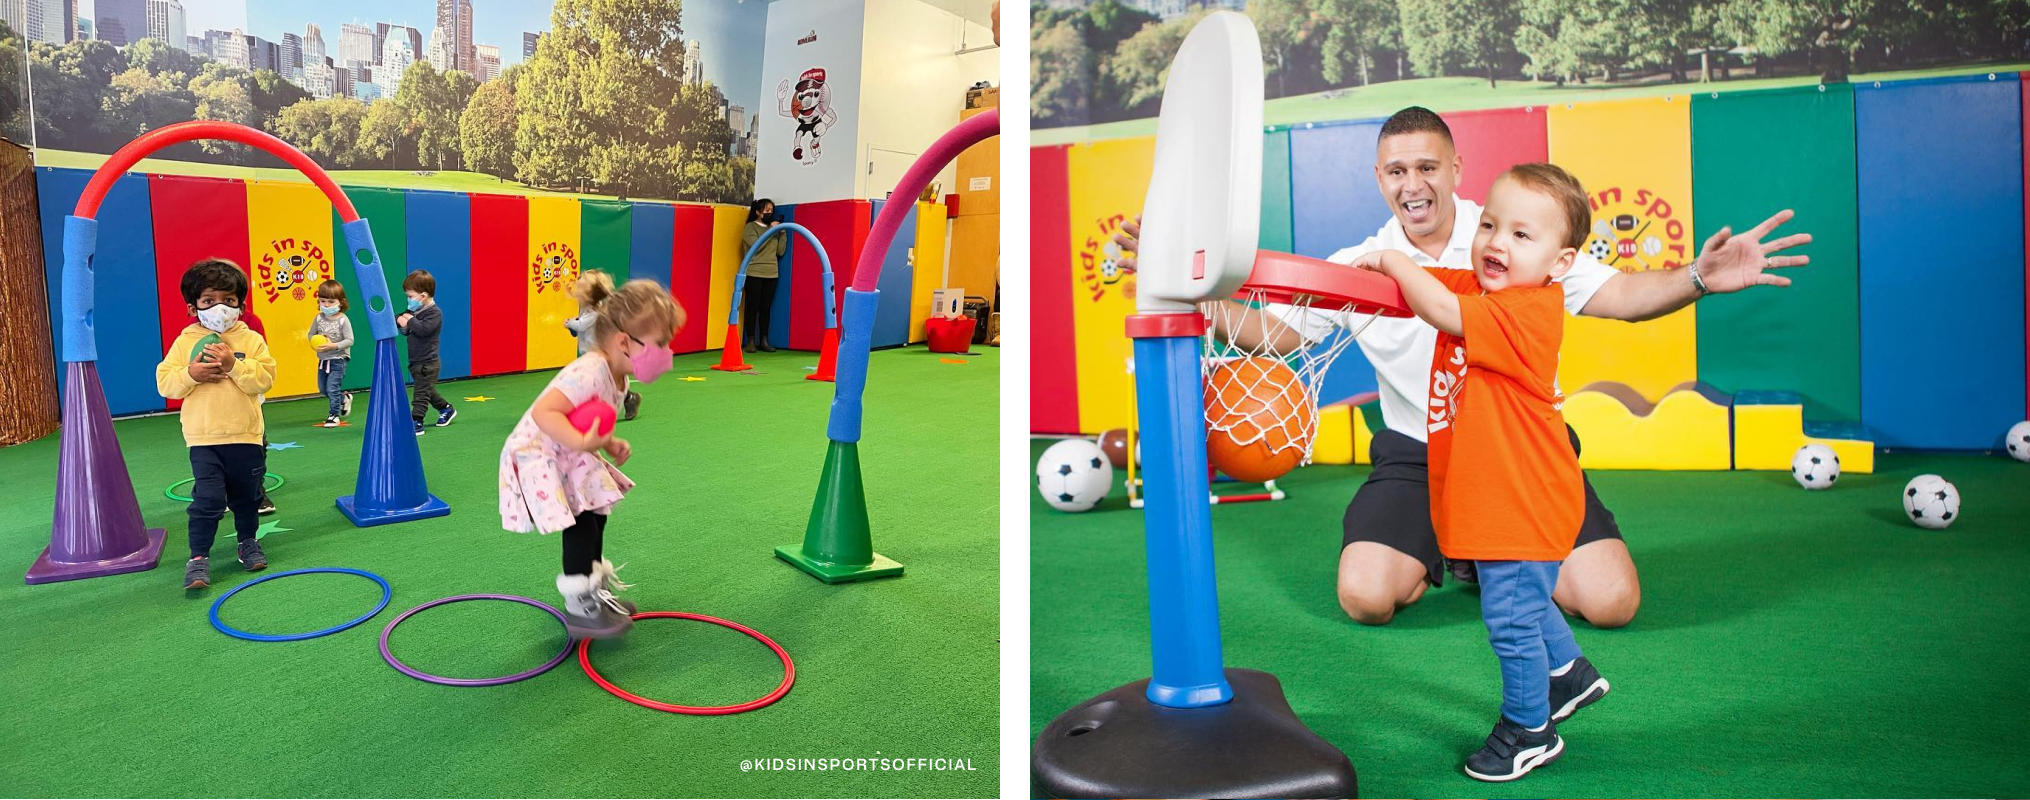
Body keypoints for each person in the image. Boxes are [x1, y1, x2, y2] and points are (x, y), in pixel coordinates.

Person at [1111, 106, 1814, 628]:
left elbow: (1623, 297)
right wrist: (1195, 303)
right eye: (1396, 170)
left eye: (1426, 166)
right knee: (1366, 595)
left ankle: (1488, 554)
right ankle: (1459, 550)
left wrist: (1697, 276)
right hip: (1418, 459)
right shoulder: (1359, 265)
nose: (1412, 183)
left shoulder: (1515, 235)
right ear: (1380, 180)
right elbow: (1278, 335)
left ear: (1454, 170)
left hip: (1521, 454)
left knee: (1611, 604)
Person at [1351, 163, 1610, 781]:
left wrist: (1390, 260)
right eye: (1491, 224)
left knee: (1511, 615)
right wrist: (1355, 282)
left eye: (1523, 236)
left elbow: (1435, 303)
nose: (1497, 241)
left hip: (1523, 496)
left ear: (1561, 263)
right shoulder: (1483, 285)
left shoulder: (1527, 310)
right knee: (1519, 592)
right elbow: (1433, 285)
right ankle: (1569, 673)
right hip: (1498, 490)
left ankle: (1529, 729)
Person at [497, 279, 686, 639]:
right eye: (660, 343)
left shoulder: (620, 376)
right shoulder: (590, 371)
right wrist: (585, 441)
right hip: (540, 451)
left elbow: (589, 417)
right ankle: (579, 606)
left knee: (597, 517)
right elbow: (546, 413)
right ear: (624, 342)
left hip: (570, 449)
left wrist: (608, 442)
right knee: (581, 523)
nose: (666, 352)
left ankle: (594, 591)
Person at [154, 258, 278, 591]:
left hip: (245, 435)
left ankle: (247, 541)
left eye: (229, 300)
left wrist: (234, 366)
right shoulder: (184, 341)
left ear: (240, 303)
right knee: (207, 500)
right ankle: (198, 557)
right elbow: (166, 383)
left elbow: (265, 379)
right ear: (193, 305)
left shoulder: (250, 339)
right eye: (209, 301)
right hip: (204, 437)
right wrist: (190, 374)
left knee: (247, 497)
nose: (219, 308)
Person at [566, 271, 641, 421]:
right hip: (590, 352)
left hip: (599, 353)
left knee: (598, 380)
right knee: (603, 380)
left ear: (588, 296)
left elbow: (581, 325)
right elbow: (581, 322)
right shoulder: (586, 308)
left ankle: (600, 406)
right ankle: (629, 398)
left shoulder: (595, 313)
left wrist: (569, 323)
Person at [397, 270, 455, 436]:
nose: (408, 300)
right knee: (426, 390)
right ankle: (446, 408)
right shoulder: (414, 311)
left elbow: (423, 330)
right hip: (415, 360)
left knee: (420, 394)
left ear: (422, 296)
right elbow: (401, 318)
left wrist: (409, 320)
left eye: (410, 296)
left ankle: (416, 421)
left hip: (428, 363)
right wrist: (401, 320)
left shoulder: (434, 313)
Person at [740, 199, 789, 353]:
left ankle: (764, 340)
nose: (769, 213)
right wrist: (770, 231)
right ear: (758, 212)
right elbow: (757, 246)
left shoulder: (772, 230)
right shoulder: (750, 227)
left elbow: (780, 251)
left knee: (765, 308)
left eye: (771, 210)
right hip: (754, 272)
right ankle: (751, 340)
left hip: (772, 273)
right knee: (752, 307)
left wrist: (782, 235)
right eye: (766, 210)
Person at [309, 280, 356, 428]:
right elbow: (311, 334)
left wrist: (333, 345)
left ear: (340, 302)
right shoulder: (318, 318)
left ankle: (333, 415)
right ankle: (344, 398)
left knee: (332, 387)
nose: (326, 305)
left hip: (338, 360)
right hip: (323, 360)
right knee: (323, 389)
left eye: (331, 301)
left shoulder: (343, 320)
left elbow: (350, 340)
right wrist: (315, 343)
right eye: (323, 301)